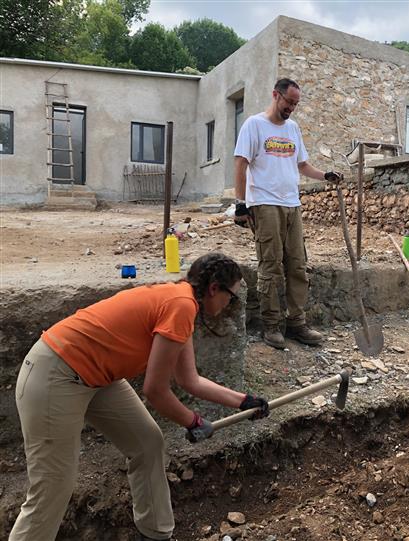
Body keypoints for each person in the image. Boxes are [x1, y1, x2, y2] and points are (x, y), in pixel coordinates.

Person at [10, 253, 270, 541]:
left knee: (147, 442)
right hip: (56, 373)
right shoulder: (180, 304)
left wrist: (245, 401)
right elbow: (155, 390)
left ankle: (155, 533)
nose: (228, 305)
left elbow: (189, 380)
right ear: (214, 289)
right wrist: (193, 421)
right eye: (231, 298)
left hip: (97, 376)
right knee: (53, 485)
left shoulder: (181, 302)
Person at [234, 77, 342, 350]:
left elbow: (302, 165)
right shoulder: (254, 125)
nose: (291, 108)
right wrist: (240, 204)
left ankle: (297, 323)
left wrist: (324, 175)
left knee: (297, 264)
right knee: (270, 265)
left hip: (292, 204)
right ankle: (271, 325)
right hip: (264, 203)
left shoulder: (293, 128)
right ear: (275, 95)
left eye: (295, 104)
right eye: (288, 102)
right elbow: (241, 164)